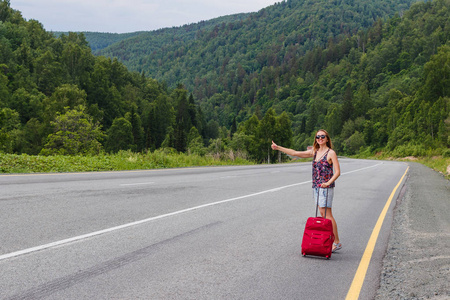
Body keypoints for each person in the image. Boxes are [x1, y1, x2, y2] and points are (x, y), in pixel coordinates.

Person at [271, 129, 342, 252]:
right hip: (316, 187)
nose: (320, 138)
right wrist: (278, 148)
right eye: (318, 137)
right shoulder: (314, 152)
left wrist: (328, 183)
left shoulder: (331, 153)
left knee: (327, 214)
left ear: (327, 138)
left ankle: (336, 242)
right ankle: (330, 240)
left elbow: (338, 172)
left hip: (326, 187)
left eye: (323, 136)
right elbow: (295, 153)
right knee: (323, 214)